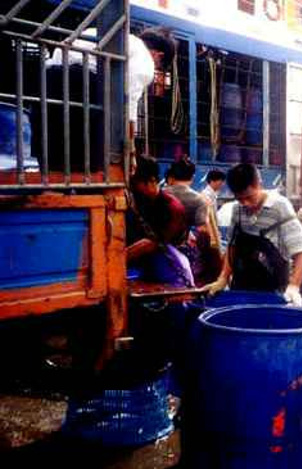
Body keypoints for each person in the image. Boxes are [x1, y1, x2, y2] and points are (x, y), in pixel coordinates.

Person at [45, 26, 177, 171]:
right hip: (81, 85)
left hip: (50, 82)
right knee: (88, 161)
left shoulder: (113, 36)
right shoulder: (145, 59)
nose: (154, 68)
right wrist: (131, 152)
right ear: (158, 55)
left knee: (55, 152)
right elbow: (128, 105)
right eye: (158, 66)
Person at [208, 163, 302, 306]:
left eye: (249, 197)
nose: (245, 204)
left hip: (273, 291)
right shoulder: (237, 210)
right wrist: (223, 278)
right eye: (239, 199)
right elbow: (232, 247)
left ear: (259, 184)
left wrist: (294, 286)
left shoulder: (279, 207)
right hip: (242, 289)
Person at [127, 156, 194, 287]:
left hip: (173, 270)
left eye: (135, 185)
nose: (133, 190)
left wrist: (116, 260)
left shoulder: (171, 208)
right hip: (147, 268)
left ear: (152, 181)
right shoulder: (140, 202)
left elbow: (151, 243)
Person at [163, 158, 222, 285]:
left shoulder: (161, 194)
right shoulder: (199, 200)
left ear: (172, 176)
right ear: (192, 177)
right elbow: (203, 230)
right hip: (181, 250)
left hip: (156, 249)